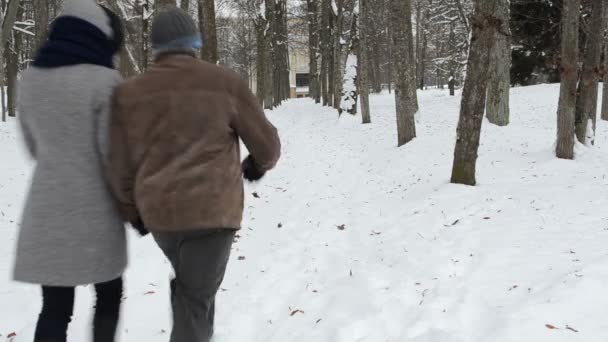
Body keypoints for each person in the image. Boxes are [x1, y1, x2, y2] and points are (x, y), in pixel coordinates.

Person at [108, 7, 281, 342]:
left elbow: (118, 165)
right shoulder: (224, 82)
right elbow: (268, 147)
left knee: (193, 291)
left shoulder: (128, 94)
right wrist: (257, 165)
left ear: (155, 45)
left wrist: (133, 211)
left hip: (160, 218)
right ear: (194, 42)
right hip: (212, 216)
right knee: (195, 301)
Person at [13, 1, 132, 341]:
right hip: (96, 211)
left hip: (47, 210)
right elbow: (114, 154)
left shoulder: (32, 79)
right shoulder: (107, 81)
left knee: (55, 307)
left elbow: (33, 146)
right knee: (108, 295)